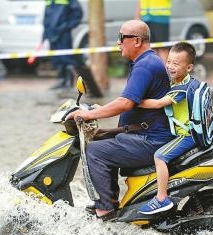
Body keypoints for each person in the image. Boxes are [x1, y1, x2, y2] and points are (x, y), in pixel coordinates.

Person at [67, 20, 173, 220]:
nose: (118, 43)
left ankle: (105, 211)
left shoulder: (145, 66)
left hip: (149, 140)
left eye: (121, 38)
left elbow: (125, 103)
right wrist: (99, 109)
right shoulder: (145, 62)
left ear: (136, 41)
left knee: (94, 151)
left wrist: (89, 114)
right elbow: (128, 100)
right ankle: (112, 201)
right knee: (98, 139)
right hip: (141, 133)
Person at [138, 42, 201, 214]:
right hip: (191, 132)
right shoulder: (189, 82)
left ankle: (161, 198)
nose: (170, 66)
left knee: (159, 156)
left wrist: (134, 101)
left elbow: (159, 103)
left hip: (187, 135)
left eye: (176, 64)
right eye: (169, 62)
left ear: (189, 67)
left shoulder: (181, 89)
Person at [42, 0, 83, 90]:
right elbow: (46, 17)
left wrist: (67, 26)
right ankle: (61, 81)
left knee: (66, 58)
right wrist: (44, 35)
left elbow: (78, 13)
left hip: (63, 33)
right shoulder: (49, 1)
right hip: (51, 34)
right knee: (56, 59)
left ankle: (69, 81)